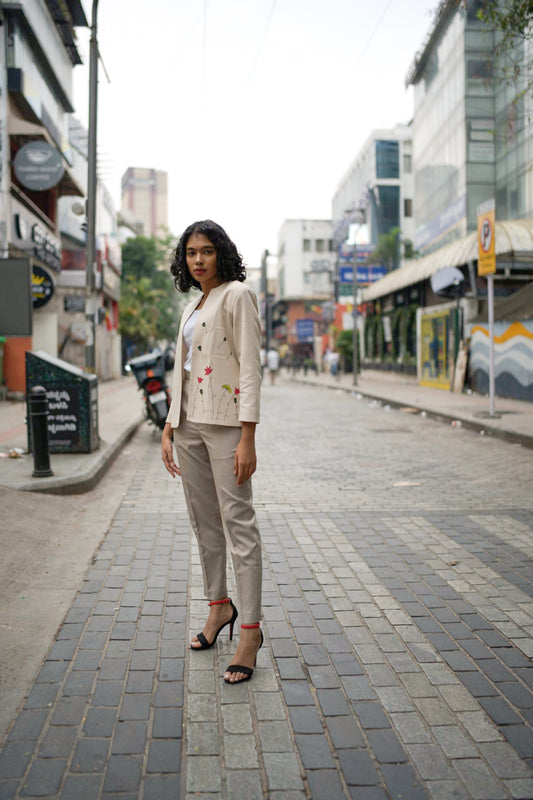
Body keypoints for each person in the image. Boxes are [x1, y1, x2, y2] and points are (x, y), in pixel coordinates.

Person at [161, 220, 263, 684]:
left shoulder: (237, 295)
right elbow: (182, 369)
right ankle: (218, 607)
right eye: (190, 253)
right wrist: (168, 425)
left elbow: (249, 369)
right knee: (204, 524)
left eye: (206, 251)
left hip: (225, 427)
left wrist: (248, 435)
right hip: (188, 427)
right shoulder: (191, 305)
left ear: (221, 252)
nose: (197, 259)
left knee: (237, 523)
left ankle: (249, 632)